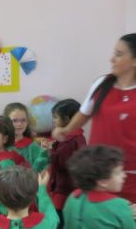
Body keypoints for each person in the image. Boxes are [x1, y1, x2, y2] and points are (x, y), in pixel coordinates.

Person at [53, 34, 136, 202]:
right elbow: (85, 113)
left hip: (130, 176)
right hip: (97, 173)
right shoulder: (102, 83)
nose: (112, 59)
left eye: (119, 54)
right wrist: (66, 130)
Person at [48, 98, 86, 229]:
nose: (54, 121)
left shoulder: (68, 140)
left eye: (56, 118)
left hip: (64, 190)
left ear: (67, 119)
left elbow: (61, 163)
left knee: (64, 226)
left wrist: (50, 151)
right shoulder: (79, 136)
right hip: (73, 188)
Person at [3, 102, 49, 172]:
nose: (19, 124)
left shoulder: (33, 146)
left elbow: (41, 169)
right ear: (6, 122)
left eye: (23, 120)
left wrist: (44, 153)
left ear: (27, 122)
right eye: (14, 121)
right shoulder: (0, 143)